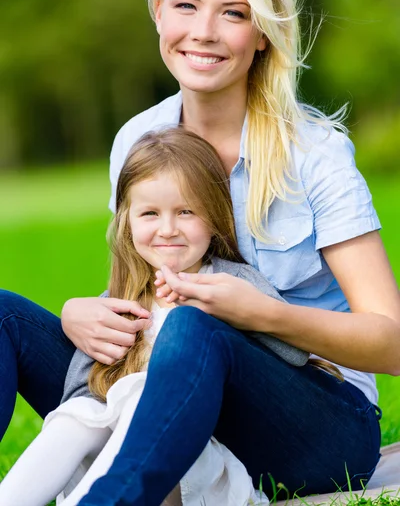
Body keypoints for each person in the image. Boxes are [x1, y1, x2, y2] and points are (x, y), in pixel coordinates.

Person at [0, 0, 399, 505]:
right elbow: (136, 293)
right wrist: (80, 318)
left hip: (315, 421)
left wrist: (262, 315)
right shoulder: (139, 138)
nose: (204, 31)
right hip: (172, 402)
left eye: (233, 13)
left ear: (262, 32)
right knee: (4, 314)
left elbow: (390, 342)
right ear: (158, 9)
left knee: (195, 326)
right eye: (186, 6)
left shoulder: (316, 154)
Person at [0, 128, 310, 506]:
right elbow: (79, 392)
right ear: (127, 223)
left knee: (137, 393)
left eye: (185, 211)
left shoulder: (231, 283)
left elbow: (296, 356)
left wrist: (246, 315)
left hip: (201, 457)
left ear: (213, 217)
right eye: (150, 213)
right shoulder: (122, 300)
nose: (167, 229)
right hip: (121, 453)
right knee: (78, 412)